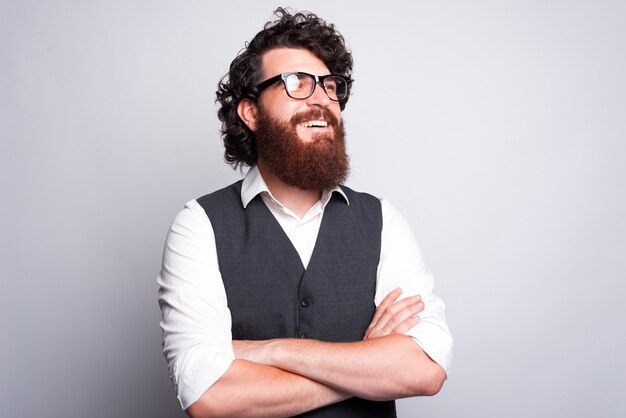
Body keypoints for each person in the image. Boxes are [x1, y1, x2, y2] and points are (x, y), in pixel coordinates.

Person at [158, 8, 453, 418]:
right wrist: (367, 363)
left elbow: (425, 368)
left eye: (330, 85)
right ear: (251, 112)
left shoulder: (383, 221)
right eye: (296, 82)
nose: (320, 98)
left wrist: (271, 351)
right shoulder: (199, 226)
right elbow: (209, 396)